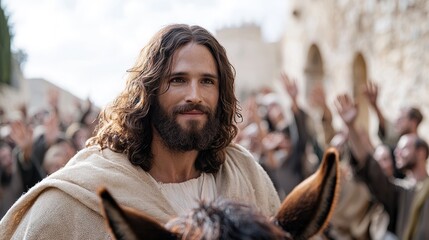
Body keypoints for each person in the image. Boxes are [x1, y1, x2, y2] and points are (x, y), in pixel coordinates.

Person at [0, 24, 280, 239]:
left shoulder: (245, 176)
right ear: (148, 92)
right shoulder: (79, 196)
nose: (195, 95)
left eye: (207, 81)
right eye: (178, 80)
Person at [335, 93, 429, 239]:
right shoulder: (400, 193)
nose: (397, 152)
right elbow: (369, 166)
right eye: (397, 148)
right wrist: (351, 127)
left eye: (404, 148)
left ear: (421, 152)